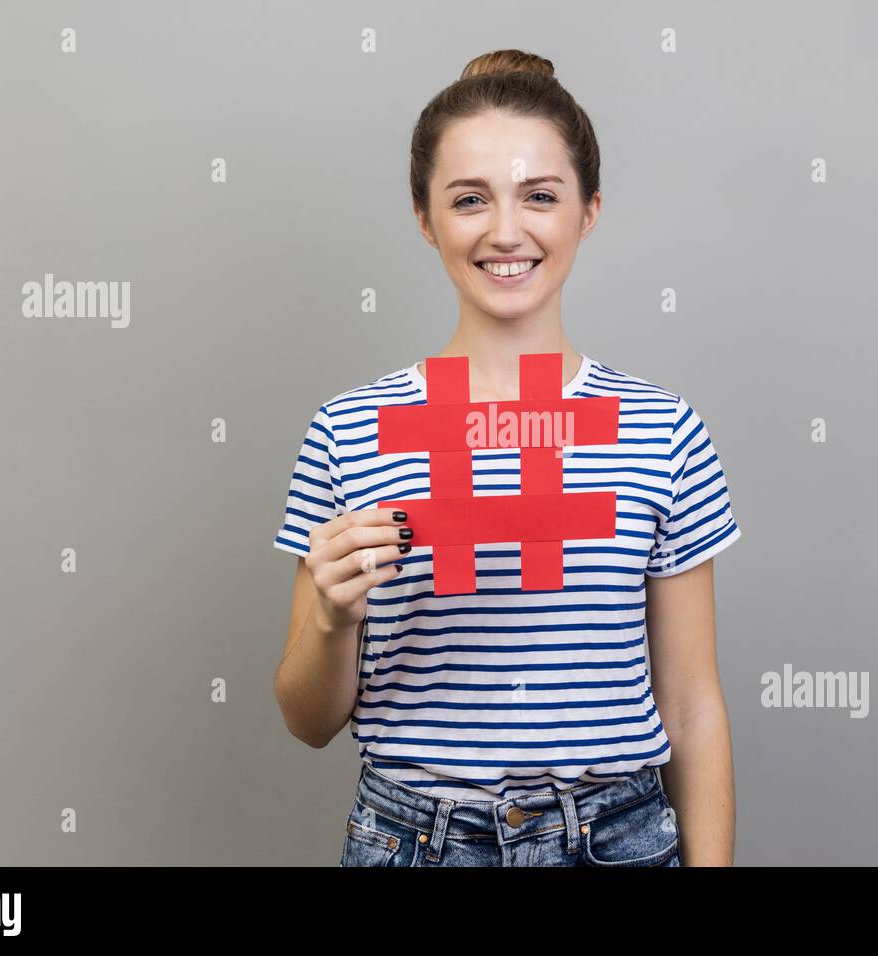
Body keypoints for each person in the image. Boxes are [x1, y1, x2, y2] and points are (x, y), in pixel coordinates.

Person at [272, 49, 741, 866]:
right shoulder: (349, 431)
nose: (506, 231)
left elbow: (694, 703)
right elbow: (308, 721)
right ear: (425, 218)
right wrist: (333, 617)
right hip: (415, 838)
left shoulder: (661, 429)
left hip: (617, 837)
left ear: (588, 211)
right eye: (468, 199)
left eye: (540, 196)